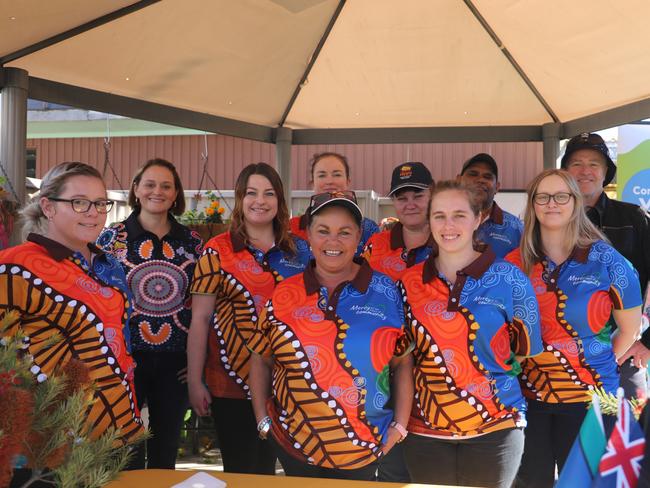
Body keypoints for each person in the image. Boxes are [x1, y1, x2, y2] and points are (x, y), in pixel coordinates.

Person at [248, 190, 413, 480]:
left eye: (344, 232)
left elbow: (402, 363)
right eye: (323, 231)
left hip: (368, 447)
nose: (333, 241)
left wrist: (399, 426)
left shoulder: (387, 291)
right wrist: (262, 419)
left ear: (359, 236)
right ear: (308, 236)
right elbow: (261, 358)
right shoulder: (285, 292)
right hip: (295, 447)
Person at [399, 180, 542, 488]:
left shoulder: (510, 279)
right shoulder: (407, 283)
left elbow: (524, 349)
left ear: (478, 219)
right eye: (439, 215)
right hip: (425, 432)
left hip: (497, 427)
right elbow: (402, 359)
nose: (448, 225)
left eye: (459, 215)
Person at [505, 169, 642, 488]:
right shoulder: (513, 265)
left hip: (590, 400)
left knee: (585, 483)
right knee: (530, 483)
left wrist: (592, 367)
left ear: (575, 202)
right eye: (543, 196)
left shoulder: (609, 261)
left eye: (561, 196)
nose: (551, 203)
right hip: (528, 400)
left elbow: (629, 331)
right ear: (533, 204)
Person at [0, 163, 143, 455]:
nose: (94, 212)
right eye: (79, 202)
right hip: (49, 440)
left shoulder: (109, 265)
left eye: (101, 203)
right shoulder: (15, 267)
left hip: (117, 430)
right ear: (48, 207)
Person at [187, 162, 311, 474]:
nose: (260, 200)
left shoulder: (300, 253)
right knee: (244, 473)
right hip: (231, 386)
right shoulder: (217, 251)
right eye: (252, 193)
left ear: (280, 201)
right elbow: (200, 319)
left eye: (269, 193)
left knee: (297, 475)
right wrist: (194, 380)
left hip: (291, 386)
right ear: (240, 199)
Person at [97, 158, 202, 469]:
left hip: (176, 363)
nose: (158, 191)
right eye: (150, 184)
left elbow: (205, 305)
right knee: (123, 447)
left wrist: (197, 363)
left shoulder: (193, 243)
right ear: (136, 190)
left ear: (175, 194)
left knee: (166, 446)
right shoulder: (110, 238)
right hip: (124, 359)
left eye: (166, 185)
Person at [562, 132, 650, 398]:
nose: (585, 171)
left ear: (605, 173)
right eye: (576, 163)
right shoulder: (550, 219)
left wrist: (646, 342)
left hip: (623, 356)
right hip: (559, 362)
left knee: (626, 437)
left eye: (594, 164)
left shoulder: (633, 217)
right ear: (565, 171)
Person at [290, 152, 379, 255]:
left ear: (348, 181)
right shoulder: (291, 228)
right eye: (322, 175)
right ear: (312, 182)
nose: (329, 181)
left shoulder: (368, 229)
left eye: (337, 174)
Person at [364, 162, 434, 282]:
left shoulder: (448, 243)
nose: (410, 205)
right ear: (393, 202)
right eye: (402, 199)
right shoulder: (375, 244)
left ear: (432, 195)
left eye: (418, 196)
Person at [458, 153, 523, 258]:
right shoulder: (442, 222)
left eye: (487, 177)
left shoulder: (517, 229)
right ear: (458, 180)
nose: (480, 180)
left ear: (497, 187)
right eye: (473, 174)